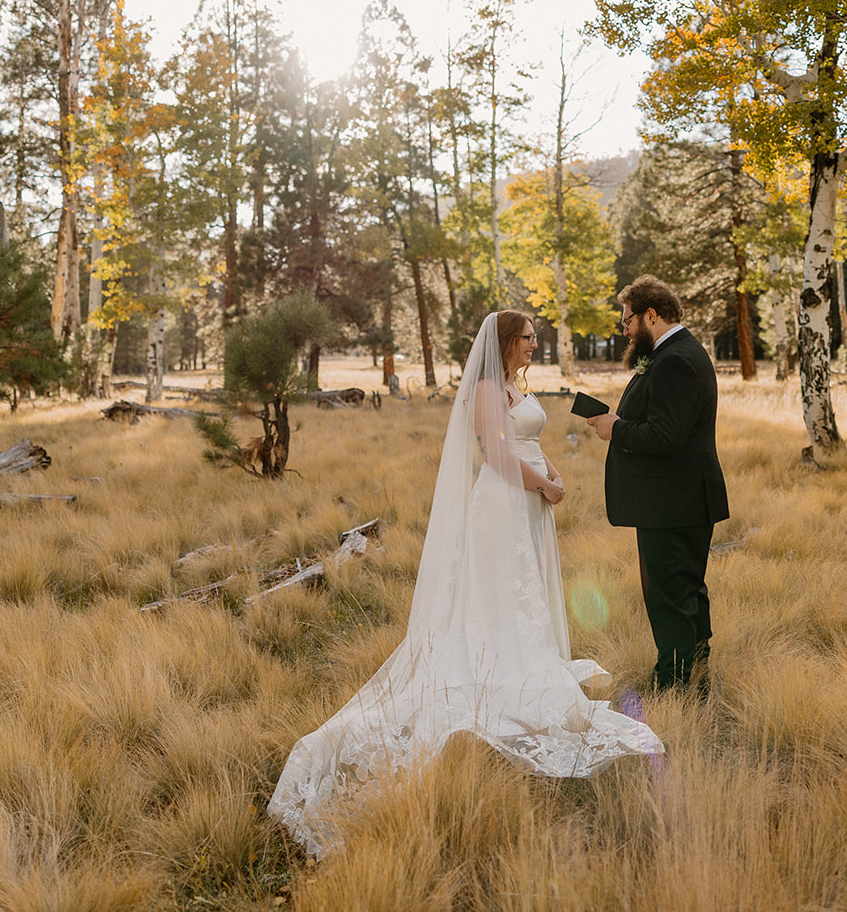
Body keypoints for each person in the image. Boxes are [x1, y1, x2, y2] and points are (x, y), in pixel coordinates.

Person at [268, 310, 663, 856]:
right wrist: (541, 487)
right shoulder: (483, 388)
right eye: (526, 339)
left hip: (530, 498)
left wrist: (553, 472)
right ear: (504, 342)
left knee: (526, 593)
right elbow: (496, 454)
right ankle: (497, 663)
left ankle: (527, 654)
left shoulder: (511, 385)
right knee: (502, 590)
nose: (533, 345)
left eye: (533, 339)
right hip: (504, 502)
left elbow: (527, 438)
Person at [587, 276, 729, 691]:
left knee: (669, 598)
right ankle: (694, 676)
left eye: (627, 319)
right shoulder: (674, 353)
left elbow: (666, 436)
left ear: (651, 314)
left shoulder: (675, 360)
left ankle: (676, 685)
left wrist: (617, 428)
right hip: (677, 500)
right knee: (685, 592)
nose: (625, 329)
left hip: (674, 502)